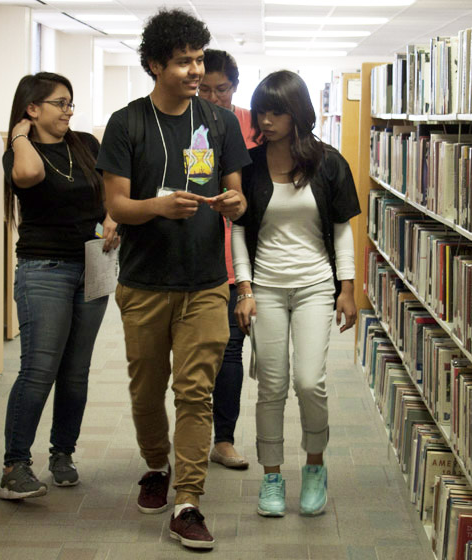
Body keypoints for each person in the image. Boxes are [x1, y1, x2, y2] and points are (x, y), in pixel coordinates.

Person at [96, 8, 250, 550]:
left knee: (196, 392)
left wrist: (234, 202)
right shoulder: (127, 123)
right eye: (183, 61)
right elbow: (116, 203)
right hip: (143, 283)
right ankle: (156, 466)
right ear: (155, 64)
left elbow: (237, 195)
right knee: (145, 391)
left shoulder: (220, 121)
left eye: (198, 59)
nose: (194, 69)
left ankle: (188, 499)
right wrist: (158, 207)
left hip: (206, 282)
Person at [232, 70, 360, 518]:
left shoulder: (329, 163)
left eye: (276, 112)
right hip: (265, 287)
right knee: (271, 386)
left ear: (297, 114)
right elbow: (239, 232)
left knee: (309, 382)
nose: (265, 120)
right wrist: (243, 288)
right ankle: (271, 477)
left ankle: (314, 467)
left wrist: (347, 287)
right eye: (261, 110)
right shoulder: (247, 165)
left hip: (313, 286)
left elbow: (342, 231)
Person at [0, 72, 120, 500]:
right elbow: (29, 175)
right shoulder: (20, 153)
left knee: (76, 372)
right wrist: (18, 134)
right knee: (39, 369)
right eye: (60, 103)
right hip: (44, 268)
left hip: (94, 265)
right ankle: (15, 465)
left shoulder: (85, 144)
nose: (69, 111)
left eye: (71, 103)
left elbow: (110, 192)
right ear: (33, 108)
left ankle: (62, 454)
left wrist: (112, 217)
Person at [198, 49, 258, 470]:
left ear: (234, 88)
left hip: (240, 254)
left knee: (232, 350)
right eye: (205, 88)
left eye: (221, 89)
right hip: (196, 254)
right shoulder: (185, 123)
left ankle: (224, 438)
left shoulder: (255, 125)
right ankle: (193, 435)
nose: (213, 97)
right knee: (196, 355)